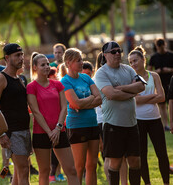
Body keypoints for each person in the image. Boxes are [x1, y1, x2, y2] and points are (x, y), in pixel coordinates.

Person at [95, 41, 145, 185]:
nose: (118, 54)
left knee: (135, 161)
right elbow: (111, 94)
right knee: (115, 162)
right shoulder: (101, 73)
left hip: (131, 123)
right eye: (114, 51)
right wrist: (131, 92)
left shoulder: (128, 70)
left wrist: (121, 88)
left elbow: (141, 86)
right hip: (113, 125)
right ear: (105, 55)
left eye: (119, 50)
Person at [27, 53, 79, 185]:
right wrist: (49, 132)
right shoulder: (31, 87)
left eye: (47, 64)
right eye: (42, 65)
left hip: (59, 132)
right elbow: (36, 112)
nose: (46, 67)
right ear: (35, 67)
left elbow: (64, 108)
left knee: (71, 170)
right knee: (44, 171)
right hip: (41, 134)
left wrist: (57, 128)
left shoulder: (57, 85)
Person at [0, 43, 32, 185]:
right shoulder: (0, 78)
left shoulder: (19, 78)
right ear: (7, 58)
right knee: (24, 170)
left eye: (22, 55)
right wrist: (1, 134)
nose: (21, 58)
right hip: (11, 131)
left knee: (19, 173)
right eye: (17, 55)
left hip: (24, 129)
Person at [128, 45, 169, 185]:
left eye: (135, 60)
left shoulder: (154, 76)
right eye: (130, 62)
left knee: (162, 154)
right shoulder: (131, 80)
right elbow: (136, 100)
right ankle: (147, 183)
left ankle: (166, 183)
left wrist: (145, 98)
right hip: (138, 121)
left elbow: (162, 97)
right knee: (142, 156)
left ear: (143, 59)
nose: (133, 64)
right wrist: (153, 96)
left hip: (155, 120)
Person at [60, 48, 102, 184]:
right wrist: (90, 99)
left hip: (92, 123)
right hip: (77, 126)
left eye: (81, 60)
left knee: (92, 166)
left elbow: (100, 98)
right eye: (78, 60)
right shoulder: (65, 81)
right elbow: (75, 104)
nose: (81, 63)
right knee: (79, 167)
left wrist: (83, 103)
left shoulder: (86, 77)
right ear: (68, 63)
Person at [147, 38, 173, 131]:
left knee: (170, 103)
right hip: (159, 83)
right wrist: (156, 71)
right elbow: (148, 71)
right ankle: (165, 124)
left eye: (162, 47)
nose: (161, 49)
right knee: (161, 105)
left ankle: (170, 123)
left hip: (170, 82)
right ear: (157, 47)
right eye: (159, 47)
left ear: (164, 45)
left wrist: (169, 69)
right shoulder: (154, 57)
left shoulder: (170, 55)